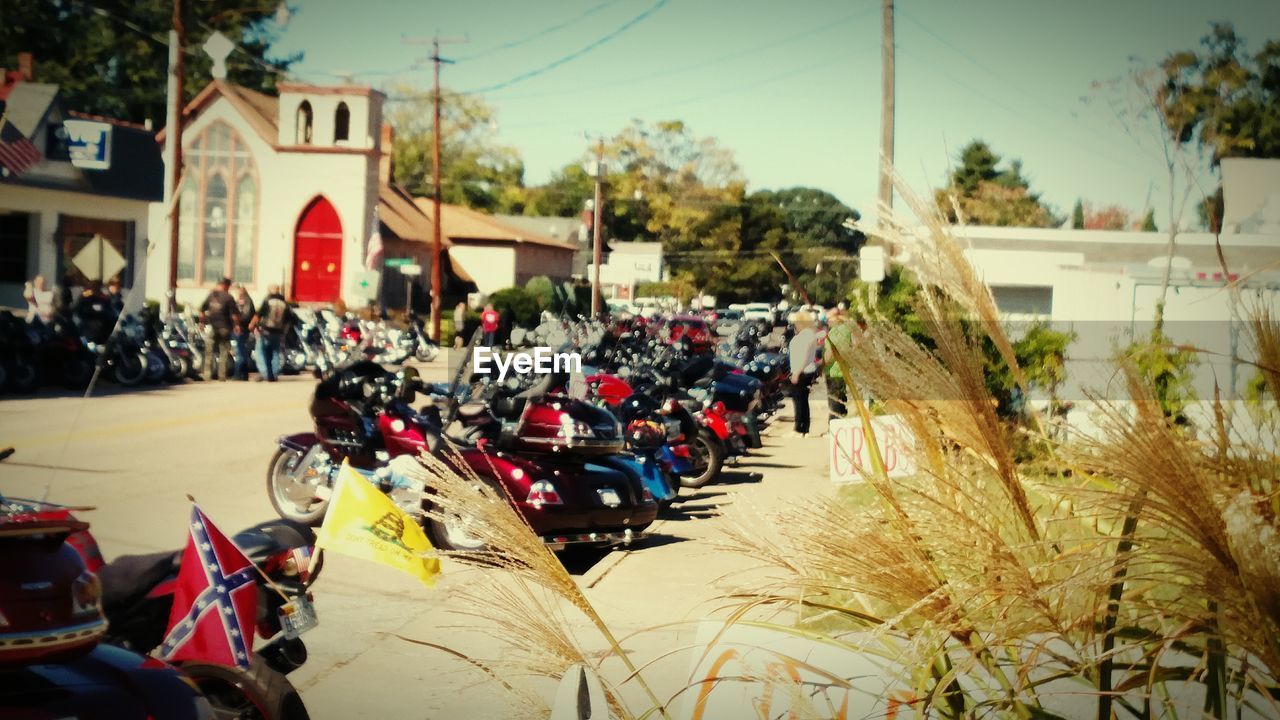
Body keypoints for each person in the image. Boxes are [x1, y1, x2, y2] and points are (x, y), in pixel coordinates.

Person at [786, 311, 820, 438]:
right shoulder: (809, 335)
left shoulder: (805, 336)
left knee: (799, 400)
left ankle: (800, 428)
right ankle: (803, 427)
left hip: (802, 371)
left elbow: (804, 356)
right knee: (802, 400)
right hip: (805, 370)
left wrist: (797, 372)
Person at [251, 284, 293, 382]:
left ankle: (265, 373)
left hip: (266, 330)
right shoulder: (284, 303)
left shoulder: (268, 302)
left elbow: (259, 314)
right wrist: (284, 331)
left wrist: (252, 324)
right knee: (276, 352)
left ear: (270, 291)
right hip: (278, 331)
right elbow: (289, 319)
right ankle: (274, 373)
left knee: (261, 352)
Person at [199, 277, 238, 381]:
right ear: (226, 285)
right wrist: (236, 326)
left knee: (209, 352)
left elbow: (202, 310)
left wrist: (201, 323)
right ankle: (222, 375)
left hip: (211, 326)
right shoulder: (229, 297)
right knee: (224, 352)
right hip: (224, 327)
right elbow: (234, 315)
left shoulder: (211, 295)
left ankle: (207, 375)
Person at [231, 284, 256, 380]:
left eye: (237, 290)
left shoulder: (246, 301)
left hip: (241, 329)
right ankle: (244, 374)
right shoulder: (242, 300)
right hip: (241, 328)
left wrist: (237, 322)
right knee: (243, 351)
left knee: (240, 351)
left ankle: (238, 374)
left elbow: (246, 315)